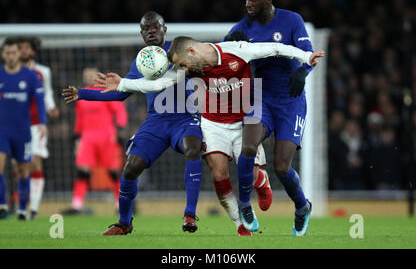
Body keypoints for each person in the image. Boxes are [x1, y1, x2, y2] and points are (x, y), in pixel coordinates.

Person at [99, 35, 323, 233]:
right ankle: (241, 221)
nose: (184, 70)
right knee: (218, 174)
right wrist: (123, 84)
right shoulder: (188, 67)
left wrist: (305, 56)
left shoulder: (237, 51)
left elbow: (275, 49)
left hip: (242, 121)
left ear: (192, 51)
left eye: (184, 64)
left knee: (251, 171)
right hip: (212, 124)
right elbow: (159, 83)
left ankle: (260, 179)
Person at [62, 11, 204, 235]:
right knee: (131, 166)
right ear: (141, 33)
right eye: (146, 29)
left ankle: (189, 213)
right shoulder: (140, 61)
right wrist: (84, 93)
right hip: (156, 121)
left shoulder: (179, 50)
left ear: (164, 29)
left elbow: (201, 72)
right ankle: (124, 222)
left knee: (192, 146)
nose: (151, 31)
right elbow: (120, 94)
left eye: (155, 27)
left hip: (185, 118)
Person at [225, 0, 317, 236]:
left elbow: (308, 53)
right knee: (248, 146)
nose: (248, 3)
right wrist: (232, 48)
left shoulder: (292, 21)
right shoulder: (241, 27)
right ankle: (245, 205)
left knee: (281, 166)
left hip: (290, 99)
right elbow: (220, 56)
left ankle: (302, 207)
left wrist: (302, 72)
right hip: (260, 96)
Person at [61, 67, 128, 215]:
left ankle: (120, 203)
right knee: (83, 171)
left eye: (92, 75)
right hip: (87, 138)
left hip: (107, 136)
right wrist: (77, 137)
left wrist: (120, 130)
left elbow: (120, 110)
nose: (89, 77)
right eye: (86, 75)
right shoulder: (81, 94)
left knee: (113, 172)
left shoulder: (105, 91)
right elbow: (80, 118)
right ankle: (76, 205)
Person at [0, 37, 47, 220]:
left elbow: (40, 101)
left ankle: (21, 210)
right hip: (2, 130)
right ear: (3, 54)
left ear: (19, 54)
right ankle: (2, 206)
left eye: (14, 52)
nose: (11, 56)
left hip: (23, 131)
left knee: (23, 170)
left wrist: (42, 122)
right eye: (8, 53)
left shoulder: (30, 76)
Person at [17, 36, 59, 219]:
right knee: (19, 167)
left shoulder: (42, 72)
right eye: (21, 48)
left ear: (33, 51)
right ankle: (19, 205)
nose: (24, 51)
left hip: (36, 124)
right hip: (16, 124)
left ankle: (33, 209)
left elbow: (47, 92)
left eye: (27, 48)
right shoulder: (10, 73)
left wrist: (50, 107)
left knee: (35, 161)